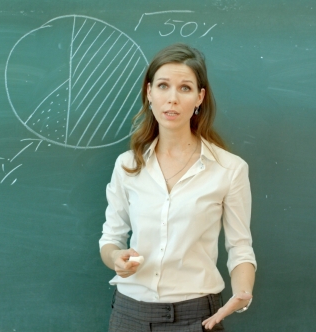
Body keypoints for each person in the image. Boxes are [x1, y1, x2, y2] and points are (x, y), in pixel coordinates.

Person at [99, 43, 257, 331]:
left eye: (184, 88)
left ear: (199, 97)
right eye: (163, 86)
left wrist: (242, 292)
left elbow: (240, 246)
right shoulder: (127, 165)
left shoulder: (230, 169)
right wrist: (115, 259)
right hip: (129, 314)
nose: (172, 98)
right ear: (149, 93)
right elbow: (111, 238)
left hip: (197, 315)